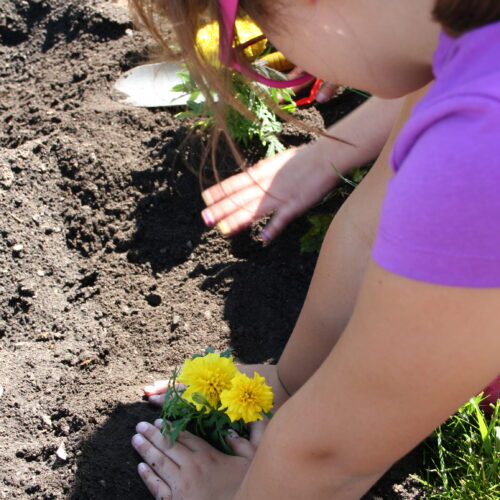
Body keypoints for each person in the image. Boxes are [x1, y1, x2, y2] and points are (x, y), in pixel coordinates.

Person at [129, 1, 500, 498]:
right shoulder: (456, 47)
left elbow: (338, 456)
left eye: (260, 34)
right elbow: (367, 229)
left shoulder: (475, 150)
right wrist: (288, 384)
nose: (281, 57)